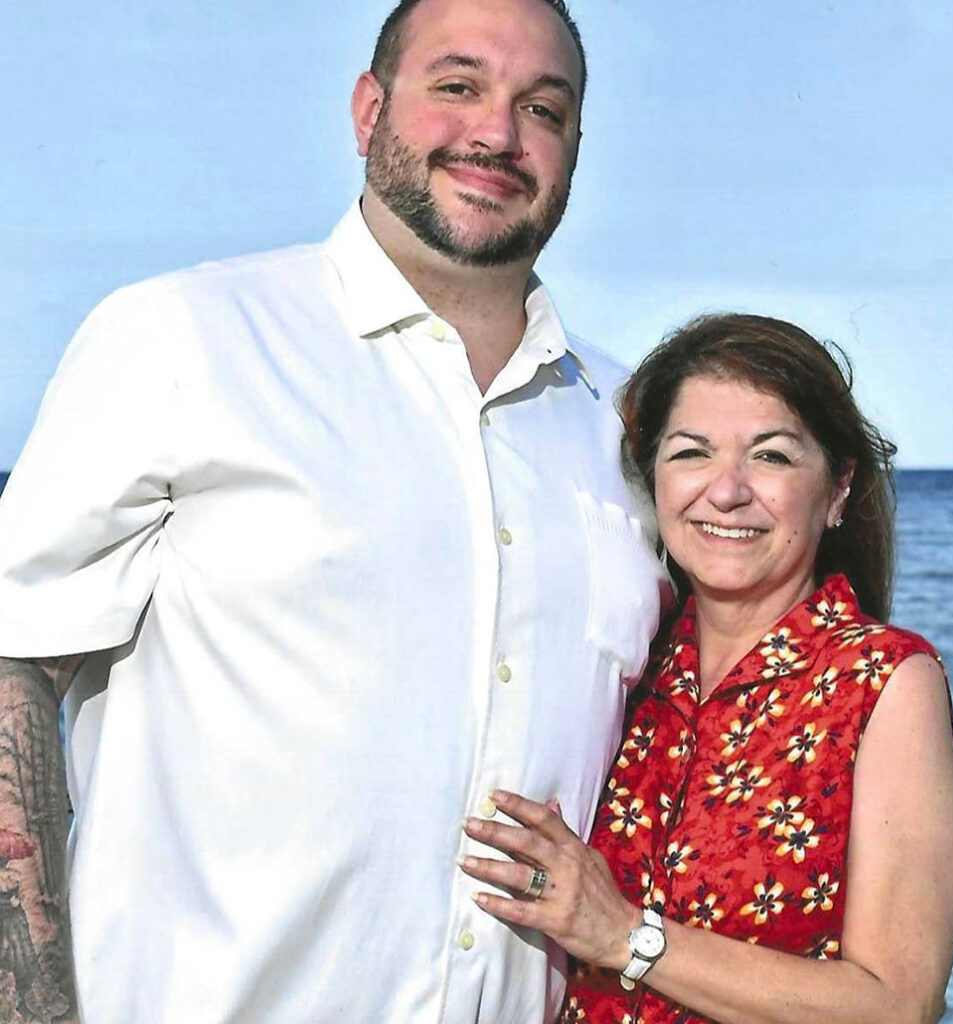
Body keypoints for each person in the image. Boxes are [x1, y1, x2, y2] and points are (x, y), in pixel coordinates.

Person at [0, 1, 669, 1021]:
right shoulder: (184, 339)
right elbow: (13, 658)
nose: (497, 131)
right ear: (368, 111)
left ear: (576, 149)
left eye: (544, 107)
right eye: (457, 86)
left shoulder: (631, 435)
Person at [460, 314, 953, 1024]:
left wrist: (623, 935)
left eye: (771, 457)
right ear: (653, 482)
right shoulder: (632, 666)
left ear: (839, 489)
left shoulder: (884, 680)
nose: (726, 491)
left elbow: (898, 1005)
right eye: (691, 453)